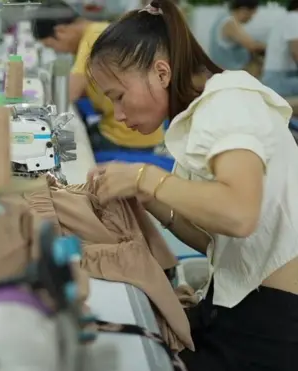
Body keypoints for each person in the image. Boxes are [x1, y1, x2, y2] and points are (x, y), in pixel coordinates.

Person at [85, 0, 298, 370]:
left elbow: (238, 214)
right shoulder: (200, 117)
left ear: (162, 72)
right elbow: (218, 241)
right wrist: (146, 197)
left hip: (274, 322)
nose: (118, 113)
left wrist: (146, 177)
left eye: (118, 96)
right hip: (239, 301)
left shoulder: (228, 102)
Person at [31, 1, 164, 152]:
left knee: (68, 153)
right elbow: (87, 88)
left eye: (52, 46)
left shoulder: (94, 37)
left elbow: (70, 92)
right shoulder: (99, 30)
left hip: (126, 138)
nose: (59, 51)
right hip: (127, 130)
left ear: (61, 31)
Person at [209, 0, 265, 72]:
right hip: (229, 75)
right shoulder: (230, 23)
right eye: (252, 15)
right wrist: (272, 46)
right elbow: (252, 46)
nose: (251, 19)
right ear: (244, 10)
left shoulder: (222, 18)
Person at [262, 0, 298, 101]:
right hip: (279, 79)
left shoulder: (286, 19)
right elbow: (296, 52)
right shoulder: (294, 18)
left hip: (278, 77)